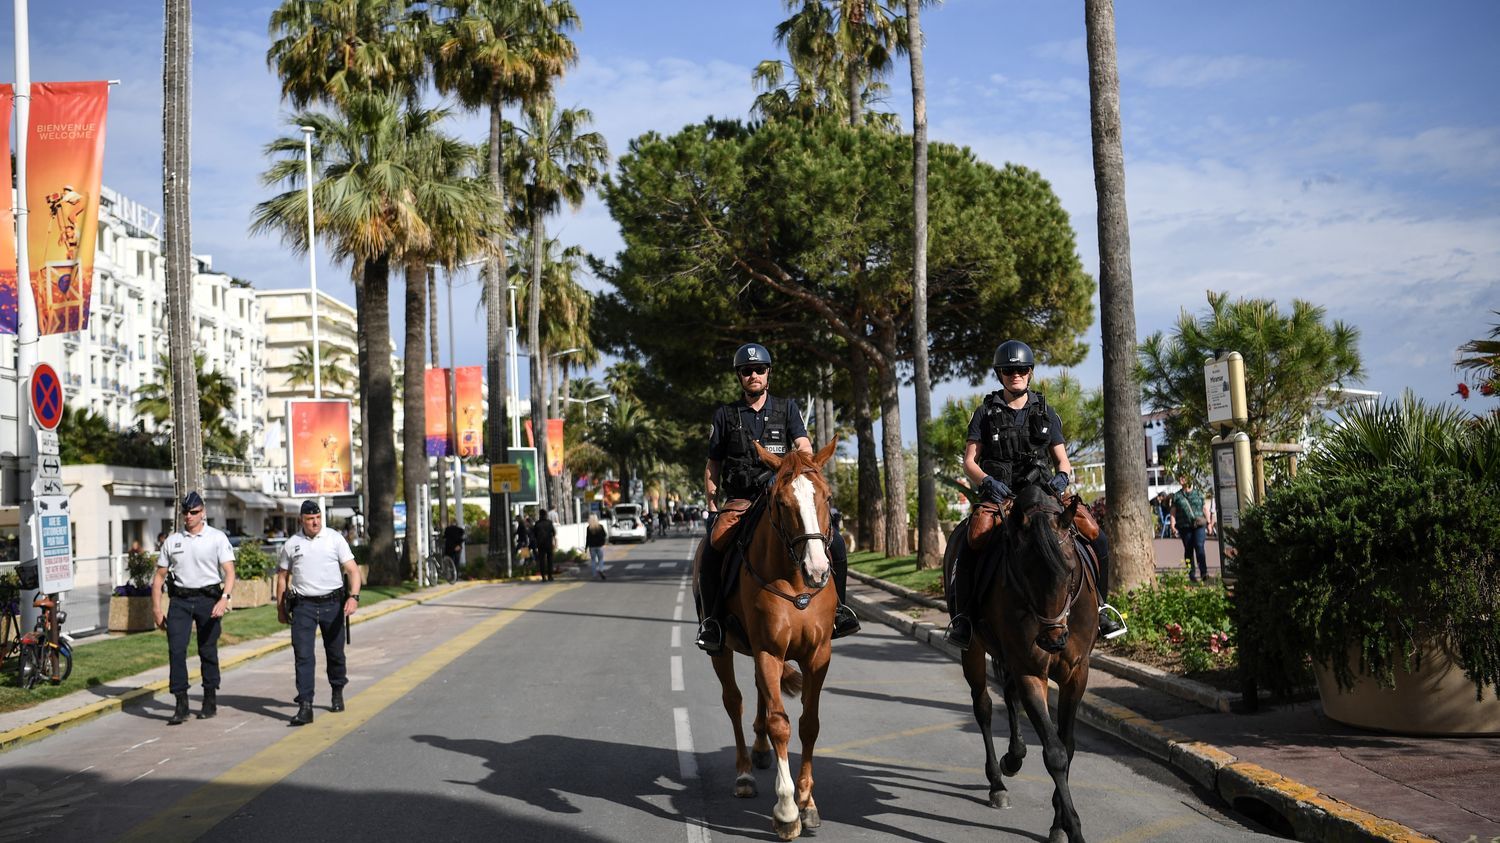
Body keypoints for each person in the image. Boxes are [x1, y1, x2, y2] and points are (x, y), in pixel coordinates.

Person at [945, 340, 1126, 649]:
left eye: (1021, 369)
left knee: (1097, 536)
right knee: (969, 540)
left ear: (1029, 373)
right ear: (1000, 374)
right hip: (1000, 497)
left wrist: (1060, 479)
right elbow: (969, 461)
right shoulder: (985, 412)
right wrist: (987, 481)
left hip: (1043, 495)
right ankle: (964, 618)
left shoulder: (1046, 412)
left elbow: (1063, 460)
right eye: (1009, 370)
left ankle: (1101, 608)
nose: (1016, 374)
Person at [695, 342, 860, 653]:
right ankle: (713, 621)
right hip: (742, 500)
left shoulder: (787, 409)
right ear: (740, 377)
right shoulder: (726, 415)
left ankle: (840, 610)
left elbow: (804, 446)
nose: (753, 375)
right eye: (747, 371)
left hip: (783, 493)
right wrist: (712, 504)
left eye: (759, 370)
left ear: (768, 373)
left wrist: (796, 468)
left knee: (835, 542)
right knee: (713, 545)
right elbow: (713, 463)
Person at [151, 492, 237, 725]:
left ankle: (210, 698)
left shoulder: (216, 538)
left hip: (209, 599)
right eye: (186, 512)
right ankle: (181, 703)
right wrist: (157, 610)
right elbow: (158, 579)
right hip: (180, 601)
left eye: (194, 512)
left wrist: (224, 598)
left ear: (203, 513)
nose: (189, 516)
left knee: (207, 650)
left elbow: (229, 572)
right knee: (176, 651)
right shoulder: (172, 541)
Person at [276, 500, 360, 726]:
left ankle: (337, 689)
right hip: (303, 606)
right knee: (303, 655)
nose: (315, 522)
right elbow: (282, 576)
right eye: (310, 519)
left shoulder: (334, 539)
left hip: (332, 604)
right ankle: (305, 705)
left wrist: (353, 597)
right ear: (301, 520)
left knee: (335, 652)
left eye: (318, 518)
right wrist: (281, 608)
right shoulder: (292, 544)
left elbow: (352, 570)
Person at [1172, 473, 1211, 582]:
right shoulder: (1177, 496)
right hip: (1184, 527)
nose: (1181, 479)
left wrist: (1209, 524)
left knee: (1199, 546)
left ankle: (1204, 572)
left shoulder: (1198, 493)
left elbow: (1205, 509)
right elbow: (1173, 512)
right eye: (1180, 477)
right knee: (1188, 549)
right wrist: (1172, 525)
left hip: (1199, 525)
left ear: (1190, 479)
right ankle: (1191, 574)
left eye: (1184, 477)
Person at [531, 510, 557, 581]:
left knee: (542, 560)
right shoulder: (549, 523)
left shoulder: (537, 524)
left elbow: (534, 534)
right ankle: (550, 576)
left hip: (540, 544)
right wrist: (554, 541)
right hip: (548, 543)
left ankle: (543, 577)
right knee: (550, 560)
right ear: (546, 515)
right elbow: (554, 533)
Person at [585, 514, 609, 580]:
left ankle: (594, 574)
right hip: (599, 546)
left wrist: (586, 547)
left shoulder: (588, 528)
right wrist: (603, 542)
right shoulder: (600, 527)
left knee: (593, 560)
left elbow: (588, 538)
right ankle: (601, 570)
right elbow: (605, 535)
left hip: (592, 546)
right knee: (600, 559)